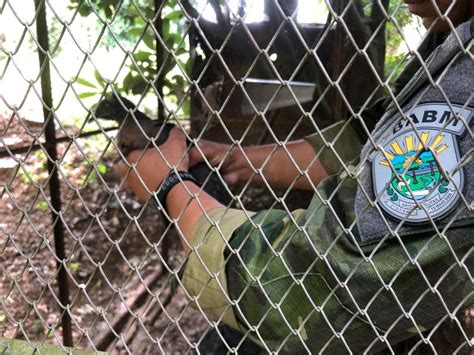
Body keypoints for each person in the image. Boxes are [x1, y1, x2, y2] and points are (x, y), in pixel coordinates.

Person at [116, 0, 473, 352]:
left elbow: (312, 285)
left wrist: (171, 187)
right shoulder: (453, 34)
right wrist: (238, 159)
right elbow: (376, 141)